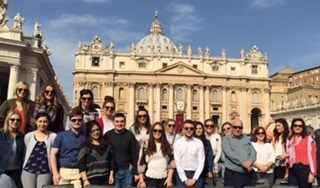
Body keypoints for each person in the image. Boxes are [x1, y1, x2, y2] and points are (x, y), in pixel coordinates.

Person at [50, 110, 85, 188]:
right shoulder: (62, 135)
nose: (77, 122)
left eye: (79, 120)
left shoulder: (86, 137)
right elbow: (52, 154)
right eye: (74, 120)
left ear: (82, 121)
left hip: (79, 172)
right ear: (69, 122)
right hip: (64, 171)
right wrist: (55, 173)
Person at [21, 112, 57, 188]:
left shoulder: (53, 137)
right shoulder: (29, 136)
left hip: (45, 170)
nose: (42, 124)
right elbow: (25, 151)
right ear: (36, 122)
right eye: (40, 121)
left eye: (45, 122)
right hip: (28, 169)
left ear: (48, 123)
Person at [104, 113, 139, 188]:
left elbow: (134, 154)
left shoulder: (130, 135)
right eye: (117, 121)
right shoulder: (108, 135)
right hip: (113, 171)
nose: (119, 124)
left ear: (125, 122)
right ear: (113, 122)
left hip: (127, 170)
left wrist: (136, 172)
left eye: (122, 121)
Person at [78, 120, 116, 186]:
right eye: (93, 131)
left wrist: (111, 175)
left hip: (106, 180)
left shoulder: (107, 144)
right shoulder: (85, 146)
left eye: (97, 130)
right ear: (89, 132)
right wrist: (85, 180)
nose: (96, 132)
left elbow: (112, 161)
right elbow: (81, 164)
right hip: (91, 180)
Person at [138, 122, 174, 188]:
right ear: (152, 131)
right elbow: (141, 163)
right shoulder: (146, 145)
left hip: (164, 178)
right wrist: (141, 181)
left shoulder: (168, 145)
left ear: (163, 132)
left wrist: (169, 179)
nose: (157, 132)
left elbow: (172, 163)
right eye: (155, 130)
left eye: (160, 131)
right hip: (150, 178)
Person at [222, 118, 256, 188]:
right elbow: (230, 154)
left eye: (240, 127)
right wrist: (244, 163)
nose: (238, 129)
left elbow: (253, 152)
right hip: (232, 174)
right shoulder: (226, 139)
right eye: (235, 127)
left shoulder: (246, 138)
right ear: (231, 128)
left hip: (246, 174)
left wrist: (250, 161)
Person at [285, 118, 317, 187]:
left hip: (304, 169)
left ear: (303, 127)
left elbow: (313, 157)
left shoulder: (308, 139)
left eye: (300, 126)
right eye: (295, 125)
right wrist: (287, 172)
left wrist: (312, 174)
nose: (297, 127)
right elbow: (288, 158)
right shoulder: (290, 140)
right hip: (292, 169)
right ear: (292, 127)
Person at [174, 120, 205, 188]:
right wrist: (184, 179)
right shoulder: (177, 143)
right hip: (181, 173)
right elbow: (178, 162)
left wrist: (194, 178)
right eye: (186, 128)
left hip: (196, 173)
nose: (189, 130)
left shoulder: (199, 143)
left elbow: (201, 162)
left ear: (194, 130)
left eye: (191, 128)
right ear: (183, 129)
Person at [0, 111, 25, 188]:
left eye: (18, 120)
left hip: (16, 171)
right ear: (8, 121)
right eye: (12, 119)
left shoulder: (21, 136)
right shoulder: (1, 134)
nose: (15, 122)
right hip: (2, 169)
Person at [194, 121, 214, 187]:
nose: (198, 130)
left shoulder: (207, 142)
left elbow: (209, 157)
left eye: (200, 128)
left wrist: (210, 171)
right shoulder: (190, 141)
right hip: (192, 169)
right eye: (196, 128)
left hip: (203, 169)